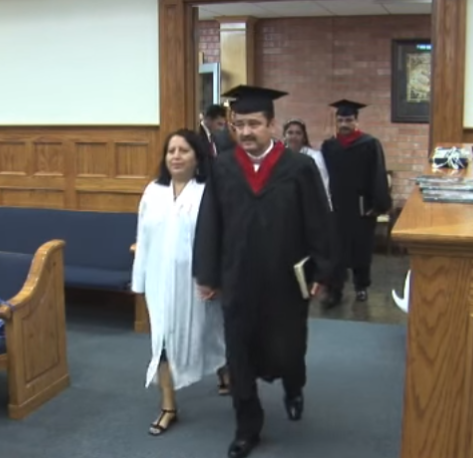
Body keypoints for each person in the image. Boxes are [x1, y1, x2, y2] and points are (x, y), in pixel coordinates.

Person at [193, 85, 333, 458]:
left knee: (289, 348)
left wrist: (322, 271)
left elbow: (318, 222)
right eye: (239, 124)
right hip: (238, 278)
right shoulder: (224, 167)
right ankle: (246, 427)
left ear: (272, 125)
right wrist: (207, 274)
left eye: (254, 124)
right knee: (238, 354)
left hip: (286, 280)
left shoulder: (298, 167)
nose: (246, 132)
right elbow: (210, 222)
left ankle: (293, 386)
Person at [131, 129, 228, 436]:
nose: (175, 156)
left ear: (197, 157)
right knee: (162, 342)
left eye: (183, 150)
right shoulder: (153, 192)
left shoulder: (208, 192)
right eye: (171, 150)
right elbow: (143, 238)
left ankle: (225, 371)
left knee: (211, 333)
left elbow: (220, 239)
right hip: (160, 282)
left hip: (196, 282)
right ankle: (168, 406)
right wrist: (139, 281)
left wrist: (215, 278)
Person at [320, 99, 392, 307]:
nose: (344, 124)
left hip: (361, 207)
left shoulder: (369, 144)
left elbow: (378, 174)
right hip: (336, 207)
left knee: (361, 249)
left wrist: (377, 205)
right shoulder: (329, 146)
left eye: (348, 120)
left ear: (356, 121)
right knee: (335, 251)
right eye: (341, 120)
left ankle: (361, 286)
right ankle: (335, 289)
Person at [283, 119, 331, 209]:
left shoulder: (314, 156)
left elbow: (324, 182)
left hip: (308, 204)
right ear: (284, 136)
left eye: (298, 133)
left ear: (304, 137)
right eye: (290, 133)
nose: (294, 136)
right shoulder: (278, 156)